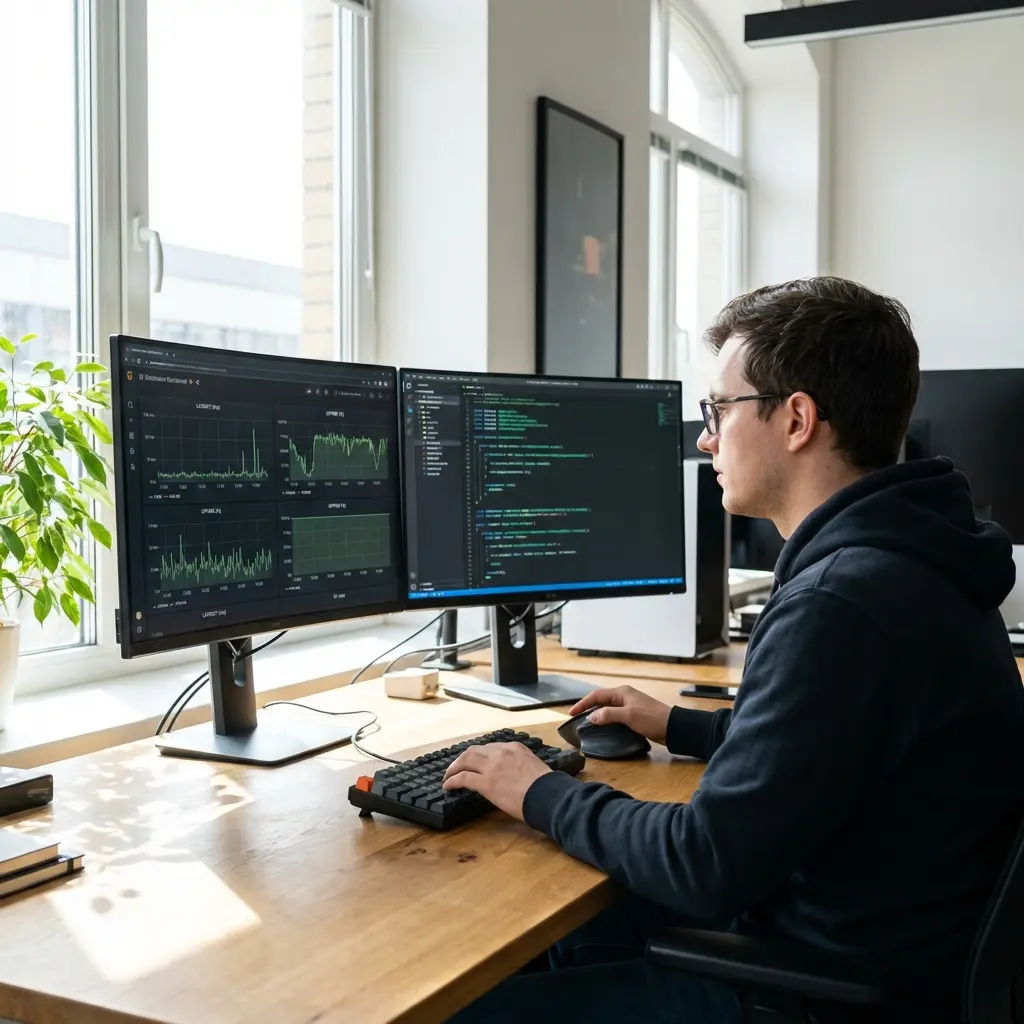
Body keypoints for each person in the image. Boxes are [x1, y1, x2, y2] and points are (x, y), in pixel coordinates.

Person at [443, 277, 1024, 1024]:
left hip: (823, 988)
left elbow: (702, 862)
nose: (705, 438)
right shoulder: (916, 558)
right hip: (870, 932)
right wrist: (681, 725)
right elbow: (833, 746)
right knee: (577, 924)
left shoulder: (840, 603)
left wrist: (538, 791)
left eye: (718, 409)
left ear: (797, 420)